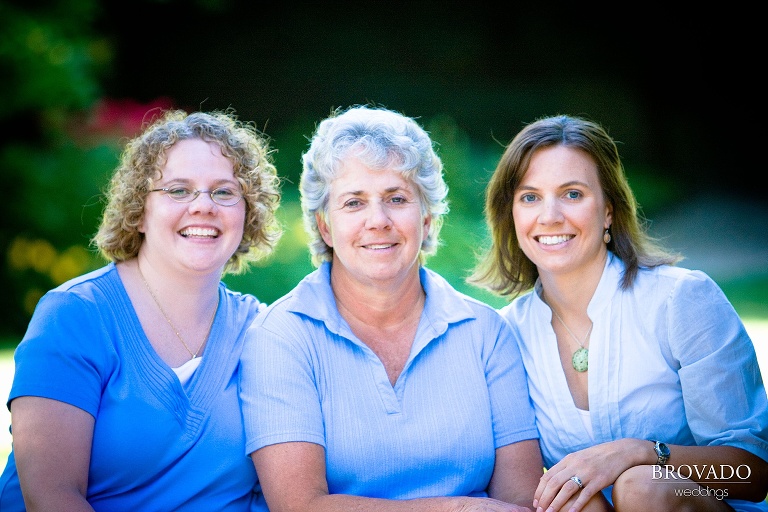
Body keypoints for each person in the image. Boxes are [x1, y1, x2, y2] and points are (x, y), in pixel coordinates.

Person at [239, 104, 545, 512]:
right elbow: (299, 506)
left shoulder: (485, 332)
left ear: (428, 217)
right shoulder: (281, 336)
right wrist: (456, 510)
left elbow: (521, 500)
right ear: (325, 226)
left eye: (396, 198)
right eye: (353, 203)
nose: (378, 220)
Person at [469, 114, 768, 512]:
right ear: (511, 215)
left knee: (642, 485)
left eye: (573, 194)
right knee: (576, 504)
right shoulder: (505, 334)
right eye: (530, 197)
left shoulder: (680, 299)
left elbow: (751, 474)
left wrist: (639, 453)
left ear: (608, 210)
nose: (550, 215)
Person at [0, 109, 282, 511]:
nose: (203, 206)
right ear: (140, 211)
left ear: (247, 212)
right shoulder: (75, 316)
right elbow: (52, 498)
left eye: (223, 191)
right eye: (178, 190)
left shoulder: (263, 331)